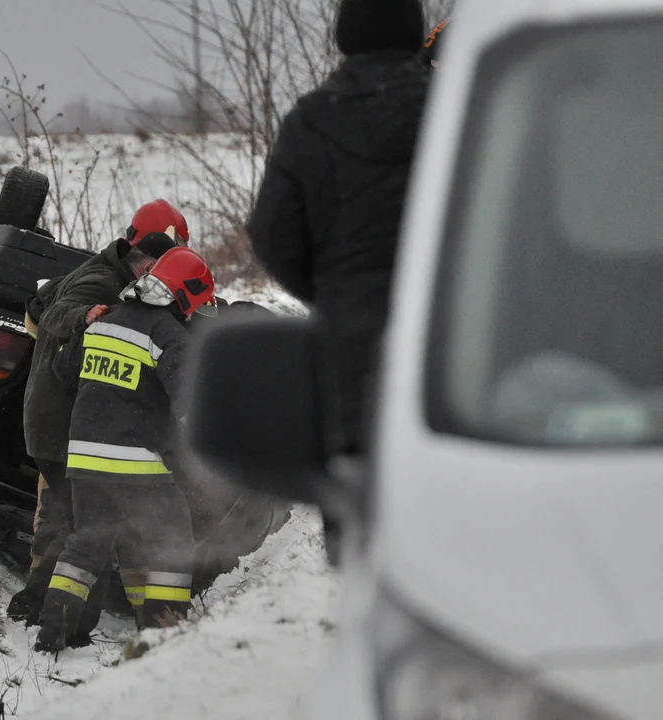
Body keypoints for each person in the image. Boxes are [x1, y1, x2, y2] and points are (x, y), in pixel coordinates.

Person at [245, 0, 431, 567]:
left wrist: (334, 292)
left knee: (360, 528)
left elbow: (274, 235)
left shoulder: (312, 119)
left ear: (344, 33)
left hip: (350, 355)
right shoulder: (455, 105)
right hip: (458, 342)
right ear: (415, 30)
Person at [6, 200, 189, 629]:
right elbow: (51, 315)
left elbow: (34, 308)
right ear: (149, 255)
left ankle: (45, 607)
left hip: (71, 423)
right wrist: (83, 317)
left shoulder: (111, 276)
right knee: (76, 523)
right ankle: (47, 610)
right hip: (63, 425)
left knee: (71, 517)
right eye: (168, 260)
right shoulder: (102, 281)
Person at [34, 245, 218, 653]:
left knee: (88, 543)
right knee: (172, 543)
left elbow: (64, 370)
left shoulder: (103, 320)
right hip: (138, 465)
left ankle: (52, 636)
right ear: (183, 295)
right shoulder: (169, 336)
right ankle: (165, 637)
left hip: (84, 460)